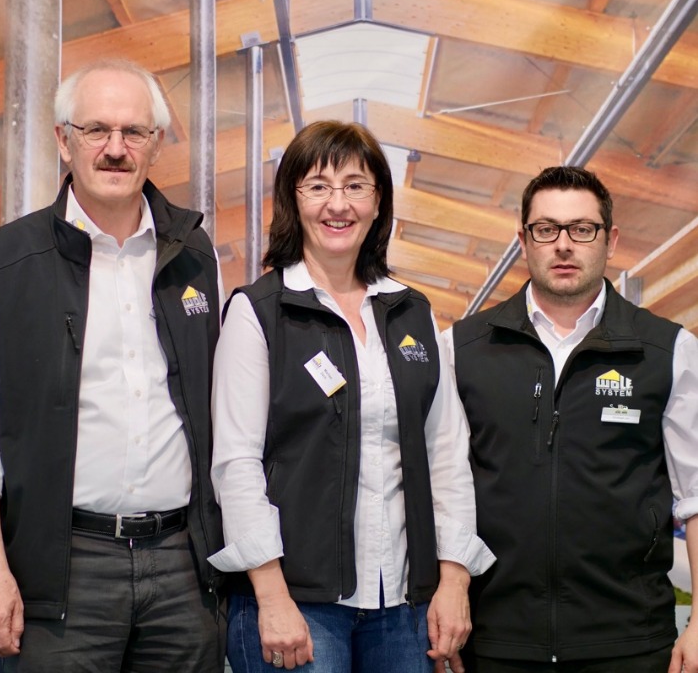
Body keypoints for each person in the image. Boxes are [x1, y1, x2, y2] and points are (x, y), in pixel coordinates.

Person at [0, 58, 225, 672]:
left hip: (182, 570)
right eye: (96, 130)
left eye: (134, 132)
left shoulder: (195, 257)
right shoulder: (6, 264)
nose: (115, 149)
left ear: (157, 144)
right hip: (62, 570)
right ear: (63, 140)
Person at [210, 120, 494, 673]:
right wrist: (271, 595)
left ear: (378, 200)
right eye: (318, 186)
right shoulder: (260, 311)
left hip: (403, 606)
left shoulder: (411, 312)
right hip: (299, 602)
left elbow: (445, 454)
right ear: (293, 199)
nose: (337, 204)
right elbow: (236, 463)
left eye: (355, 185)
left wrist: (454, 579)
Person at [448, 165, 698, 673]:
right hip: (498, 642)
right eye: (546, 229)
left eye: (582, 229)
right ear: (523, 240)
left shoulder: (667, 351)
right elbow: (445, 487)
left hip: (630, 642)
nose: (564, 245)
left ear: (611, 240)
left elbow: (697, 496)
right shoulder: (463, 349)